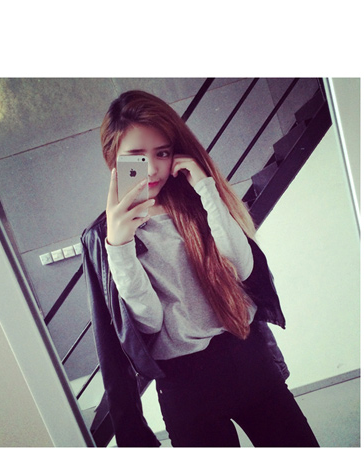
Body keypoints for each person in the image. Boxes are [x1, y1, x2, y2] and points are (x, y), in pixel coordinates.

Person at [81, 90, 319, 447]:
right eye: (136, 156)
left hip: (248, 358)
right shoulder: (102, 237)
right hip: (186, 386)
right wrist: (120, 246)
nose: (152, 168)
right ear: (113, 158)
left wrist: (207, 189)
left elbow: (243, 270)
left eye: (162, 153)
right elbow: (148, 323)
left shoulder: (196, 199)